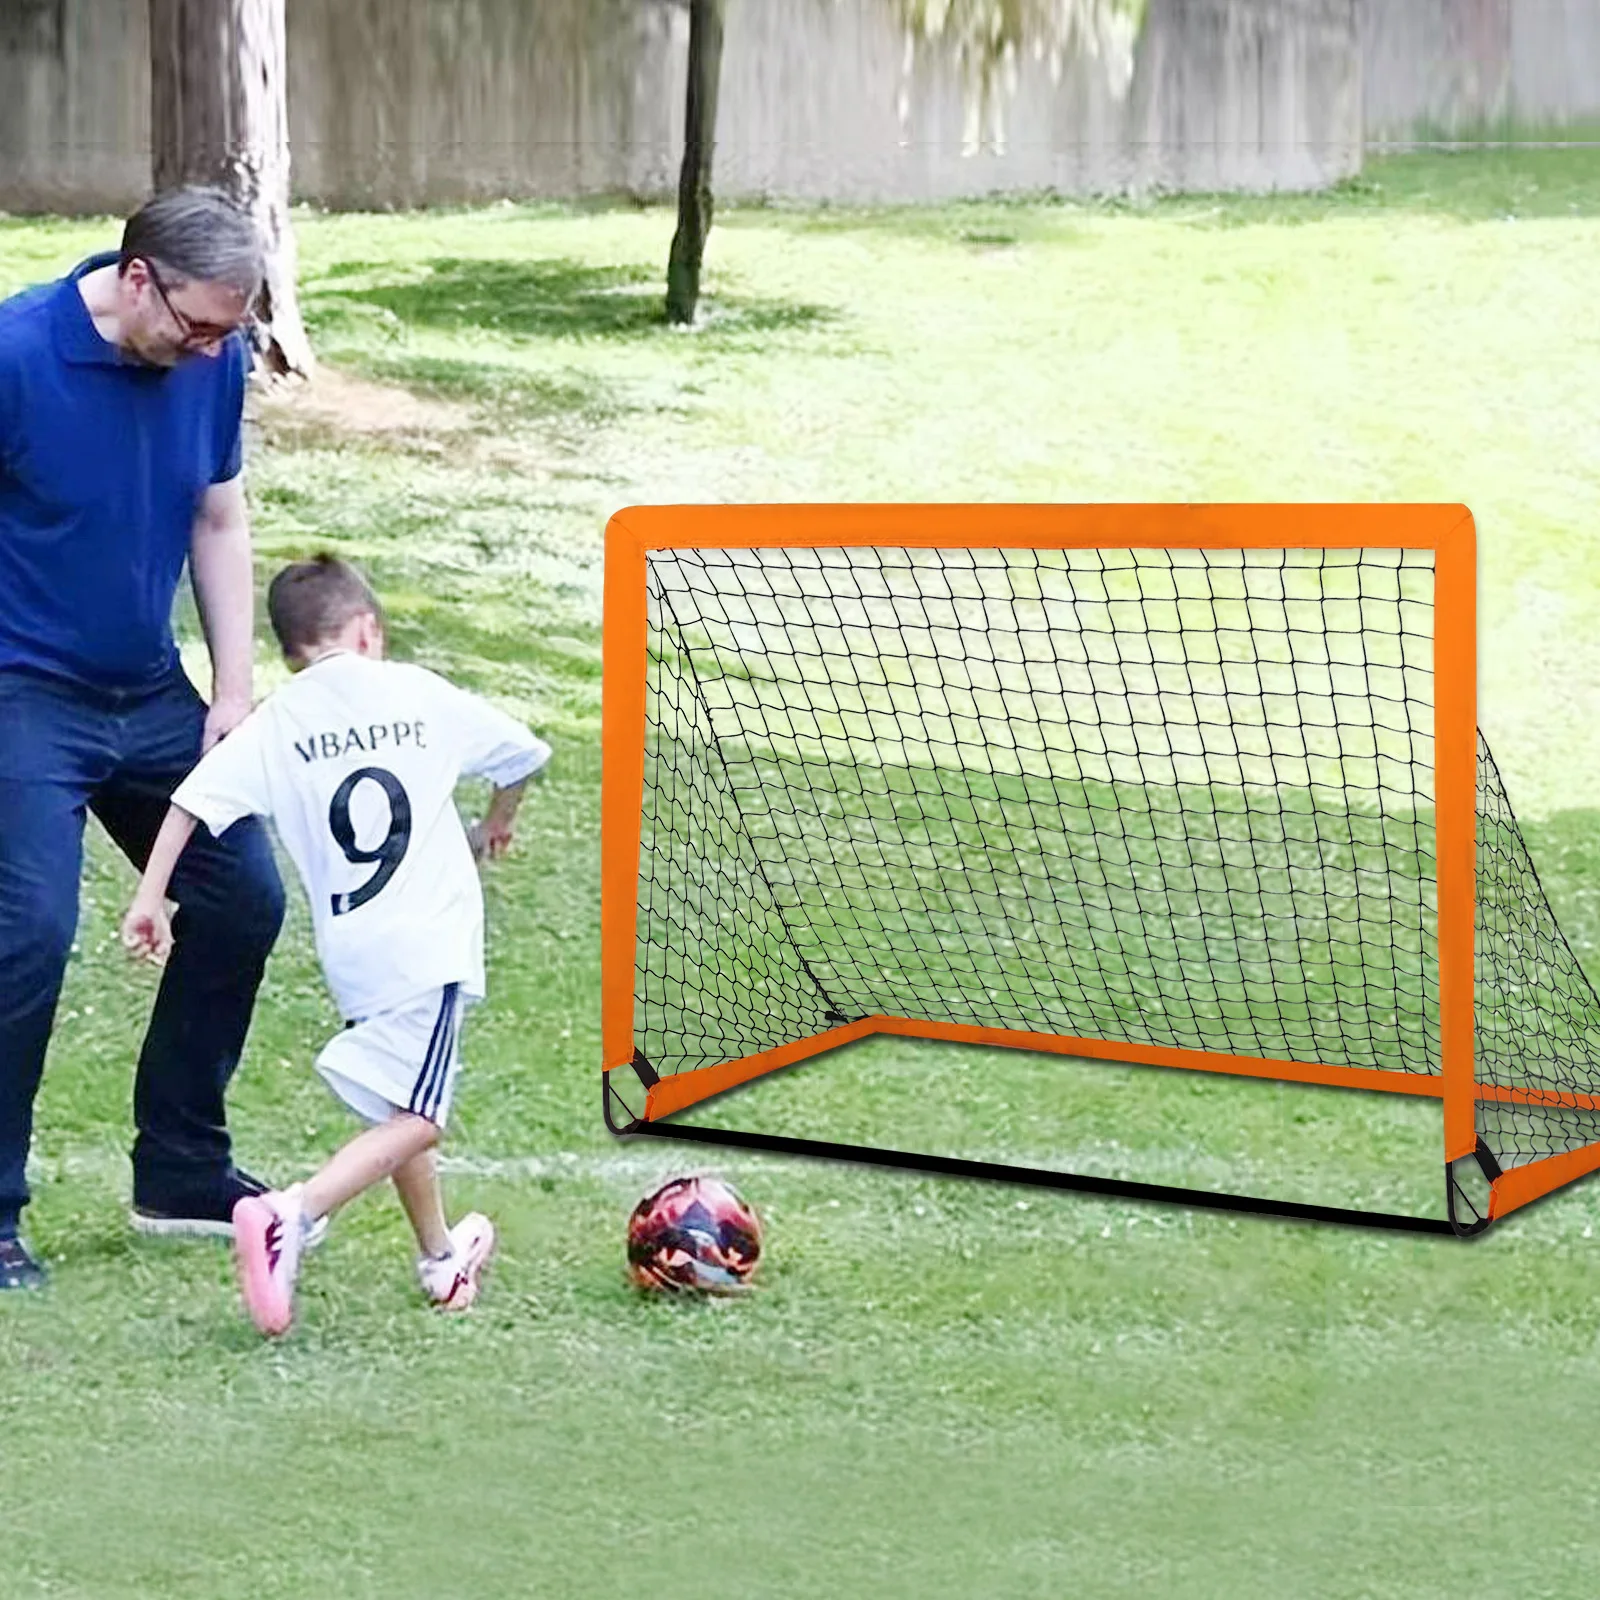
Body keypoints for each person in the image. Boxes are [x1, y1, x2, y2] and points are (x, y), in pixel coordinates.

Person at [122, 555, 551, 1336]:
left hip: (353, 951)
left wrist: (150, 897)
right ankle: (294, 1214)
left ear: (289, 653)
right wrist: (498, 821)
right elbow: (522, 754)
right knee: (421, 1116)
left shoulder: (281, 720)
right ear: (368, 629)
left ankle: (439, 1255)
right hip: (428, 944)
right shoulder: (419, 692)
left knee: (399, 1099)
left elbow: (191, 800)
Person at [0, 187, 289, 1292]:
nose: (213, 349)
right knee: (27, 933)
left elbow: (217, 513)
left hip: (148, 690)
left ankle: (179, 1167)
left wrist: (231, 682)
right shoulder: (18, 354)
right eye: (199, 325)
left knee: (240, 896)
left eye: (230, 330)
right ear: (136, 280)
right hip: (23, 690)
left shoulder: (209, 360)